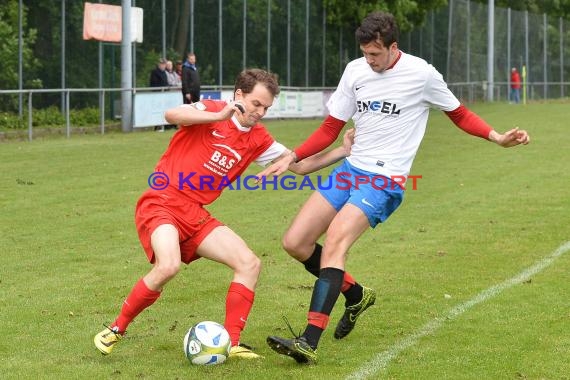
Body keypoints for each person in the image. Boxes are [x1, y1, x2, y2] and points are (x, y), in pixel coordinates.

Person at [258, 11, 530, 364]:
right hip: (350, 169)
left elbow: (459, 113)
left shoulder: (422, 74)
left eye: (375, 54)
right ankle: (355, 294)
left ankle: (309, 340)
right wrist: (294, 154)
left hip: (385, 179)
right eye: (365, 53)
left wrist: (496, 137)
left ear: (393, 47)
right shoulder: (356, 71)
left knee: (336, 242)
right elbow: (330, 127)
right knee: (295, 241)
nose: (369, 61)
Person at [94, 68, 354, 360]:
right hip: (162, 202)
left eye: (266, 107)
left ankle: (232, 342)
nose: (260, 112)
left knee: (249, 263)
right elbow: (172, 115)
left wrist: (342, 151)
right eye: (256, 104)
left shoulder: (258, 138)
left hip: (195, 212)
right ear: (239, 95)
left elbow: (299, 165)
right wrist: (218, 117)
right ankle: (116, 329)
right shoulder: (212, 109)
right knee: (169, 266)